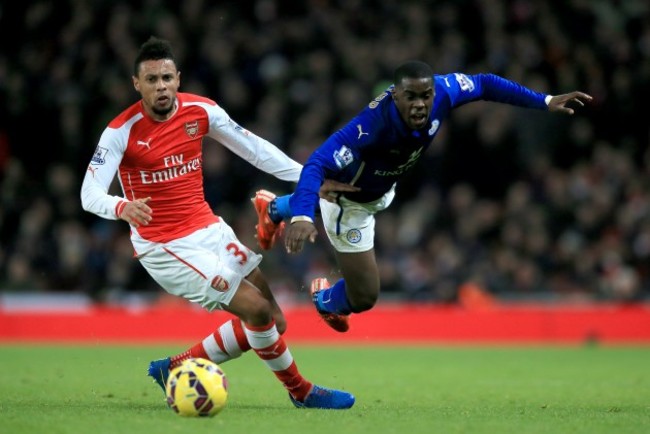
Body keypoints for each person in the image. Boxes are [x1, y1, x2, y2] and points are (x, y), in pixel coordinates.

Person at [80, 36, 355, 409]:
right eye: (151, 80)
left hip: (208, 228)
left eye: (166, 77)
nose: (160, 87)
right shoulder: (120, 132)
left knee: (274, 319)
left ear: (178, 77)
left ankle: (174, 368)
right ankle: (301, 392)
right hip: (165, 245)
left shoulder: (202, 111)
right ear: (136, 84)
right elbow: (89, 193)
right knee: (256, 311)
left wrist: (311, 180)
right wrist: (120, 208)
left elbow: (256, 150)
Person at [252, 60, 593, 332]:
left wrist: (544, 101)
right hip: (348, 204)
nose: (420, 104)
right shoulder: (370, 125)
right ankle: (325, 298)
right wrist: (302, 216)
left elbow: (486, 83)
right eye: (411, 97)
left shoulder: (443, 91)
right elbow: (316, 164)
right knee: (365, 297)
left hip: (381, 189)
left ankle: (275, 207)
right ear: (394, 96)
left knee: (375, 217)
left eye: (424, 96)